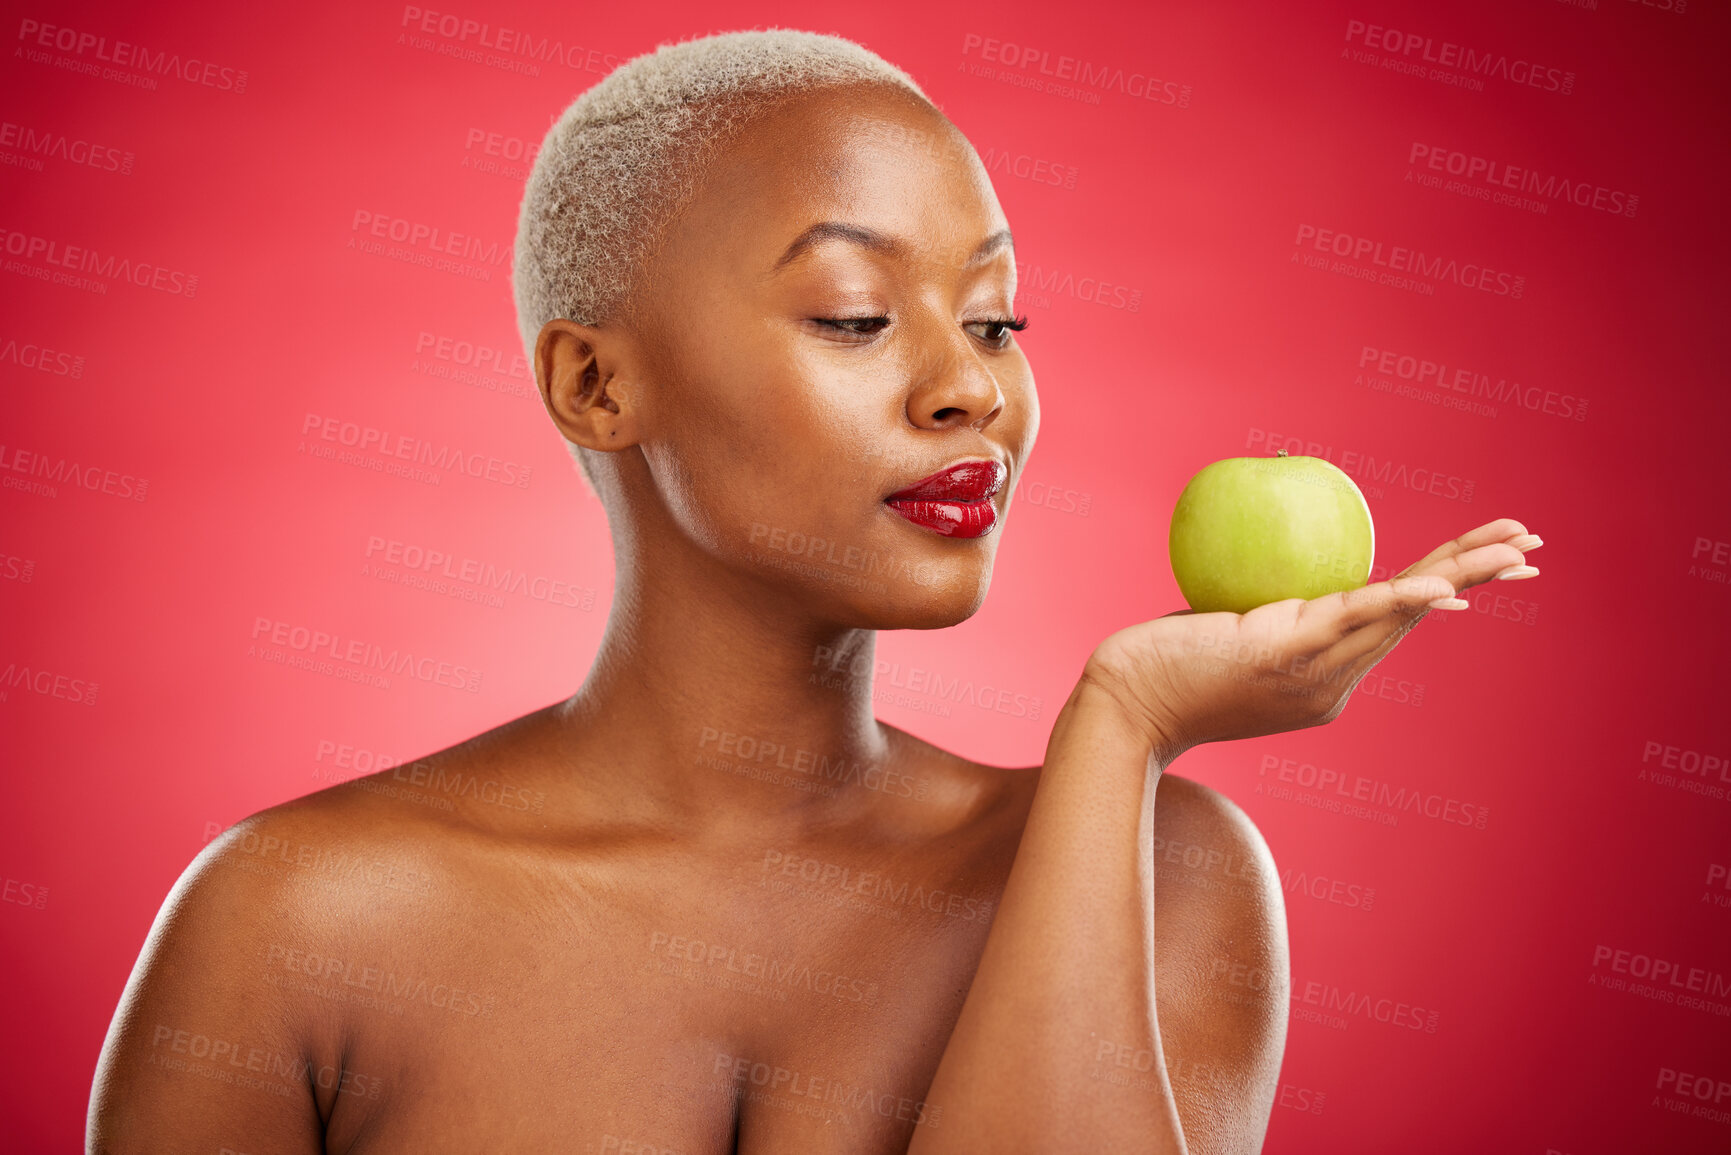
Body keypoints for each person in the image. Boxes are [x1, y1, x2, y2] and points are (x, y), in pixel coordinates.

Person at [87, 28, 1542, 1155]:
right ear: (596, 384)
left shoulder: (1167, 871)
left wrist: (1120, 727)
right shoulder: (293, 921)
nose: (972, 386)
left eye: (995, 317)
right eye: (856, 315)